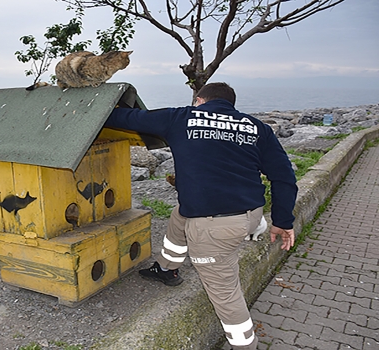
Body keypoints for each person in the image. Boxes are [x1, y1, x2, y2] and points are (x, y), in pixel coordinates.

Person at [104, 82, 297, 350]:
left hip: (216, 228)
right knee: (180, 216)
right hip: (251, 214)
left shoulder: (181, 117)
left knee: (225, 294)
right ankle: (166, 268)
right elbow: (284, 177)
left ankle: (245, 345)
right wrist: (284, 221)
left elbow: (122, 116)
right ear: (230, 104)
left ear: (199, 100)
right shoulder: (256, 128)